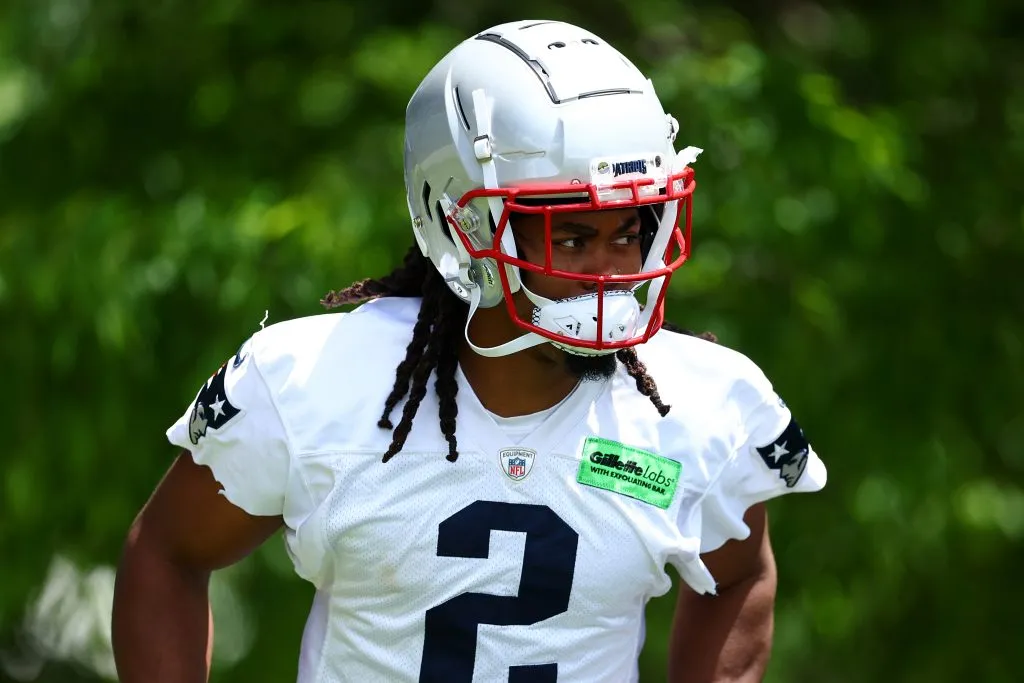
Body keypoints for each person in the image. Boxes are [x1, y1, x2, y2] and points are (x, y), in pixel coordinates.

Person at [112, 19, 826, 683]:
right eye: (571, 237)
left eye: (629, 230)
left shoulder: (700, 408)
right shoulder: (317, 381)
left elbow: (738, 574)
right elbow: (167, 552)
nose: (611, 272)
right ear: (461, 225)